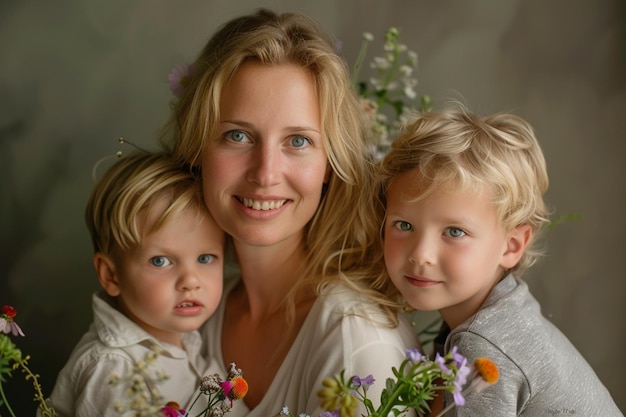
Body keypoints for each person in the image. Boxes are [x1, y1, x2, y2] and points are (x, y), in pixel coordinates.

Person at [160, 8, 419, 417]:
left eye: (297, 141)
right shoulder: (193, 313)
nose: (265, 173)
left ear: (331, 165)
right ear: (197, 151)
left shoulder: (356, 340)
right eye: (237, 135)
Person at [378, 105, 623, 416]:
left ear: (511, 246)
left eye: (454, 231)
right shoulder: (494, 317)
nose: (420, 254)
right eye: (404, 225)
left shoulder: (488, 346)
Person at [42, 151, 225, 416]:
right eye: (160, 261)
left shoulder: (189, 341)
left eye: (205, 258)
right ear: (111, 276)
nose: (190, 281)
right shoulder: (114, 370)